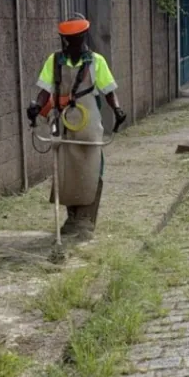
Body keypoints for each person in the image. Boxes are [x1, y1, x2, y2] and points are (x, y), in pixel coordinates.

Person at [26, 14, 127, 239]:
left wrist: (117, 110)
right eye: (68, 39)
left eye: (76, 39)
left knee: (92, 167)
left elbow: (109, 91)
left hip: (88, 122)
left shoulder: (96, 61)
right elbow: (44, 91)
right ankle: (72, 218)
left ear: (83, 37)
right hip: (64, 122)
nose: (72, 44)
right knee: (66, 170)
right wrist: (36, 107)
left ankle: (86, 220)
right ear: (63, 40)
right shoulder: (54, 62)